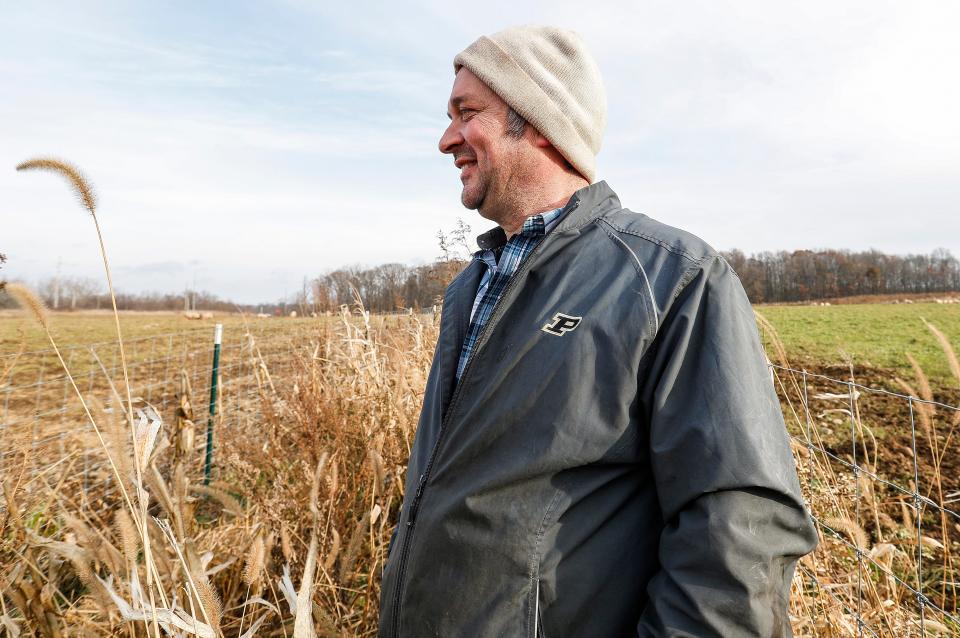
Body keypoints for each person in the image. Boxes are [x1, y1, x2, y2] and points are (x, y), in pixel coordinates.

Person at [378, 25, 817, 637]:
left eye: (467, 112)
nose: (446, 138)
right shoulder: (470, 287)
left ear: (534, 119)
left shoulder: (672, 279)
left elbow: (740, 537)